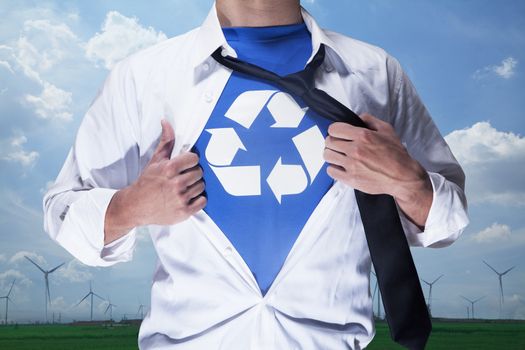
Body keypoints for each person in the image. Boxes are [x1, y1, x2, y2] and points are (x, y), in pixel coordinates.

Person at [42, 0, 469, 348]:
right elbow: (63, 210)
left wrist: (405, 180)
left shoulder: (375, 72)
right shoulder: (142, 76)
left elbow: (447, 223)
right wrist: (128, 207)